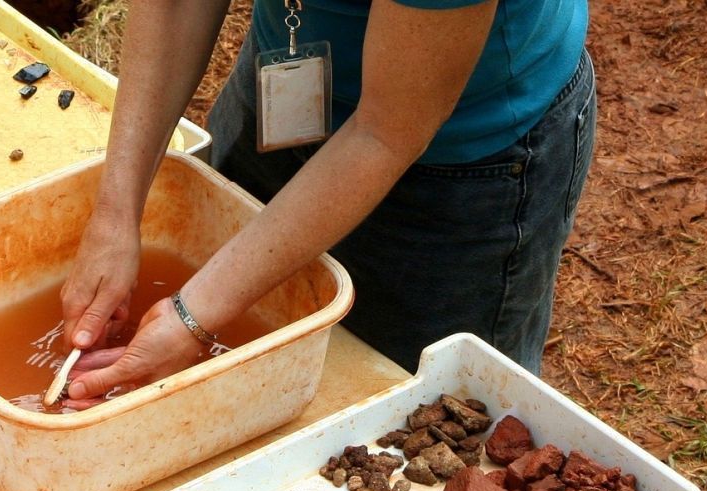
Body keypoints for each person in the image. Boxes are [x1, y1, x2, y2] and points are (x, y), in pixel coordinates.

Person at [59, 0, 596, 406]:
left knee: (425, 414)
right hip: (291, 77)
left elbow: (386, 132)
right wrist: (115, 212)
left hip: (462, 164)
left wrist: (191, 317)